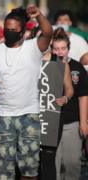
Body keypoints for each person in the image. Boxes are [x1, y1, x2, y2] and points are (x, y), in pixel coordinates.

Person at [0, 6, 53, 180]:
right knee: (3, 172)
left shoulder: (33, 47)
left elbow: (48, 33)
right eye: (6, 29)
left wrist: (39, 16)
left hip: (29, 116)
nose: (9, 32)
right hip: (3, 117)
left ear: (22, 31)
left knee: (30, 170)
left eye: (13, 30)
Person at [39, 28, 74, 180]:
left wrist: (65, 98)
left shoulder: (62, 66)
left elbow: (69, 89)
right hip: (30, 116)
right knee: (29, 160)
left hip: (52, 117)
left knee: (48, 158)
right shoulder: (30, 62)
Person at [54, 28, 88, 180]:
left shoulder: (77, 68)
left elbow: (83, 96)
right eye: (56, 48)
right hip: (51, 123)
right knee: (53, 165)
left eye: (63, 48)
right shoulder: (46, 67)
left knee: (72, 163)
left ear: (68, 48)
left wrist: (84, 122)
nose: (60, 52)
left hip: (72, 122)